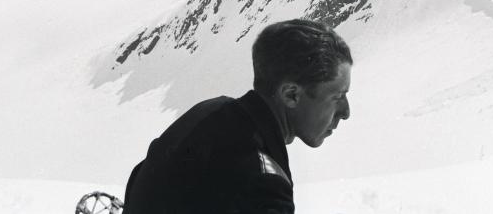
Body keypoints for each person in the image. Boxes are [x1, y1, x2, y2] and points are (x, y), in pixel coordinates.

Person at [121, 19, 352, 213]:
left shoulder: (208, 115)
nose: (346, 112)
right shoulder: (263, 186)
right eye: (338, 96)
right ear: (291, 94)